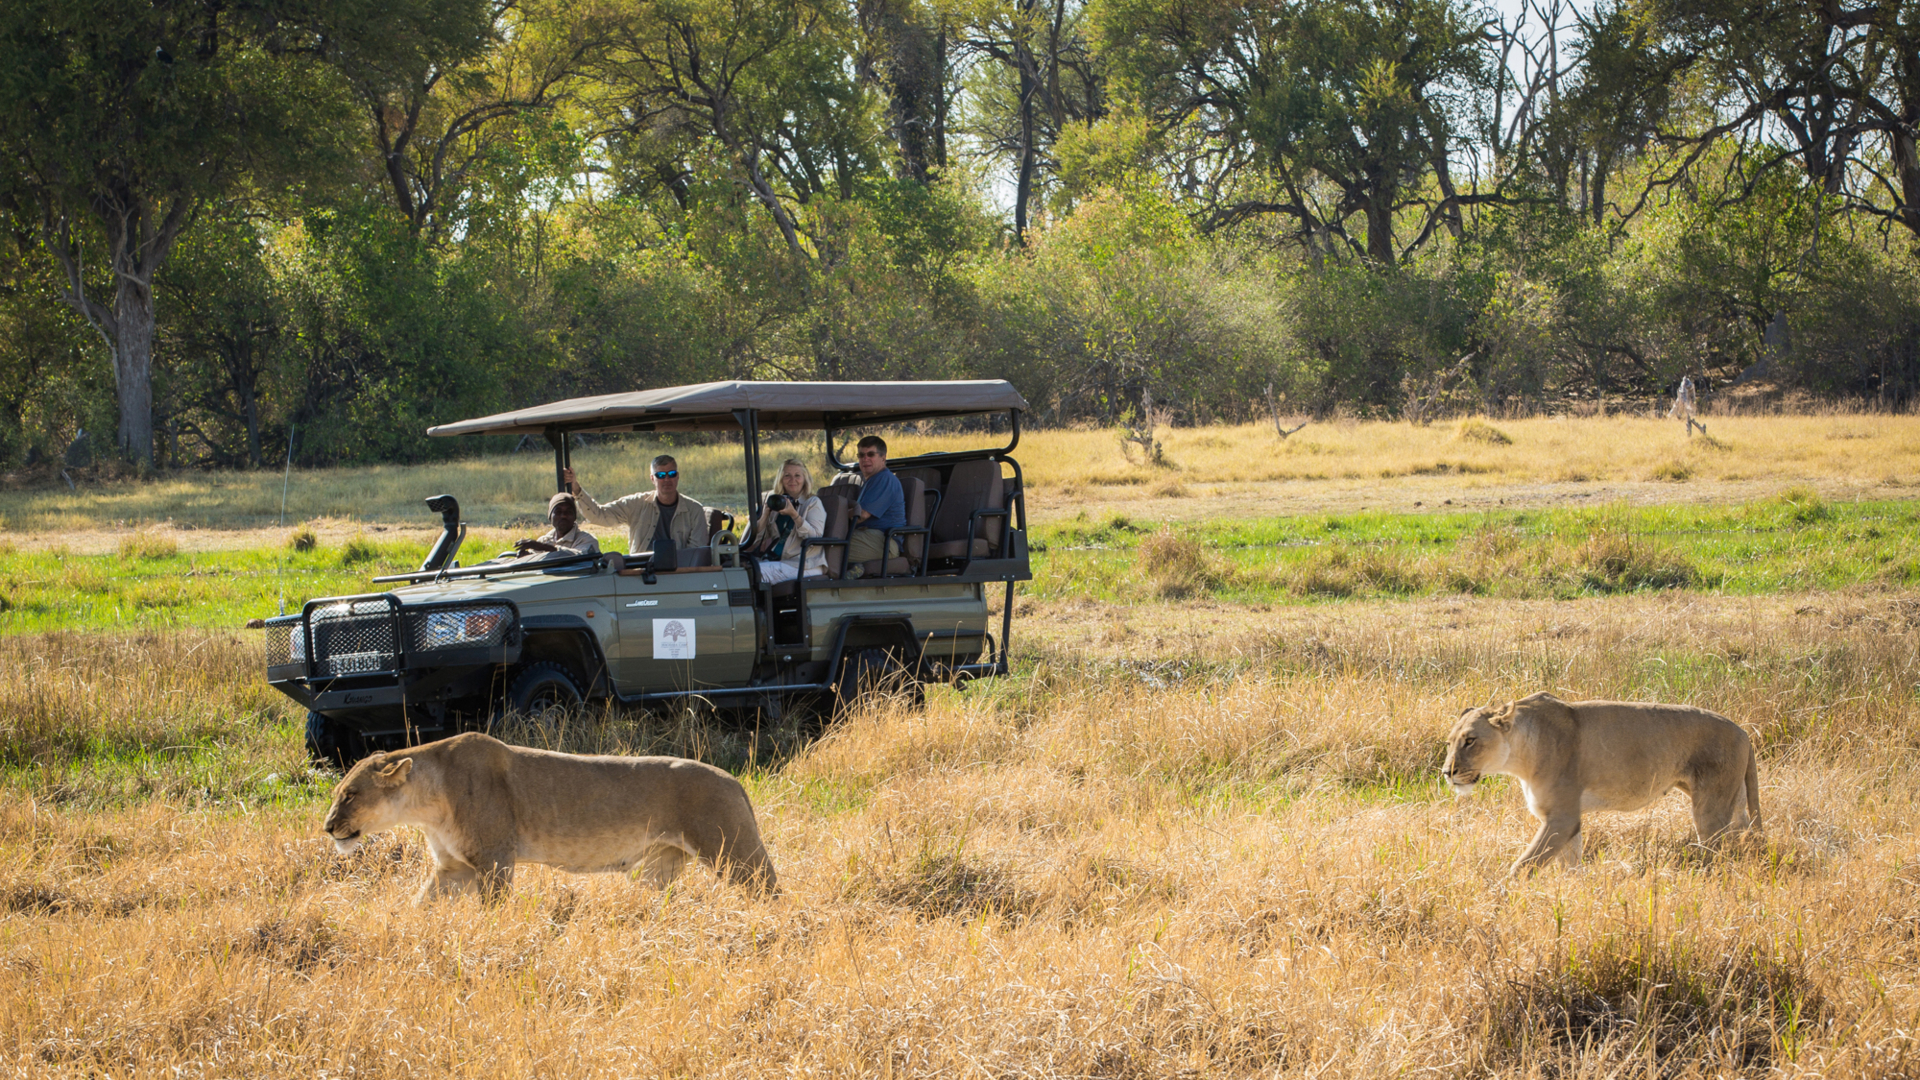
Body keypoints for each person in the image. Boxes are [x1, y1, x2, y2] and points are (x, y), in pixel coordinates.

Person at [563, 454, 709, 559]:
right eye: (660, 475)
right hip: (641, 573)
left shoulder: (694, 510)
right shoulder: (637, 503)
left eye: (671, 474)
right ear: (652, 478)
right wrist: (576, 488)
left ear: (677, 476)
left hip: (679, 574)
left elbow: (695, 554)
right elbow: (600, 515)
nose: (667, 479)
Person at [750, 458, 827, 584]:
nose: (792, 480)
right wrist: (765, 514)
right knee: (742, 570)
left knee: (753, 573)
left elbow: (815, 538)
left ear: (804, 479)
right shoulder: (778, 503)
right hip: (780, 561)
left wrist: (794, 515)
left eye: (797, 476)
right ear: (781, 479)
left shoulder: (813, 503)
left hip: (805, 564)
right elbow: (756, 538)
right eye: (787, 476)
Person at [845, 435, 903, 568]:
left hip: (885, 542)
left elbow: (862, 515)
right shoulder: (871, 481)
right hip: (869, 537)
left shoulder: (884, 479)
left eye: (870, 454)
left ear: (883, 458)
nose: (865, 459)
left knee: (829, 544)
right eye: (861, 455)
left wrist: (835, 516)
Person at [510, 492, 601, 562]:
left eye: (568, 512)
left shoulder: (587, 540)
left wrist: (547, 548)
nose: (563, 516)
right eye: (558, 512)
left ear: (574, 517)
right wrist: (526, 557)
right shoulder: (544, 540)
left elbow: (579, 558)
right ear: (550, 517)